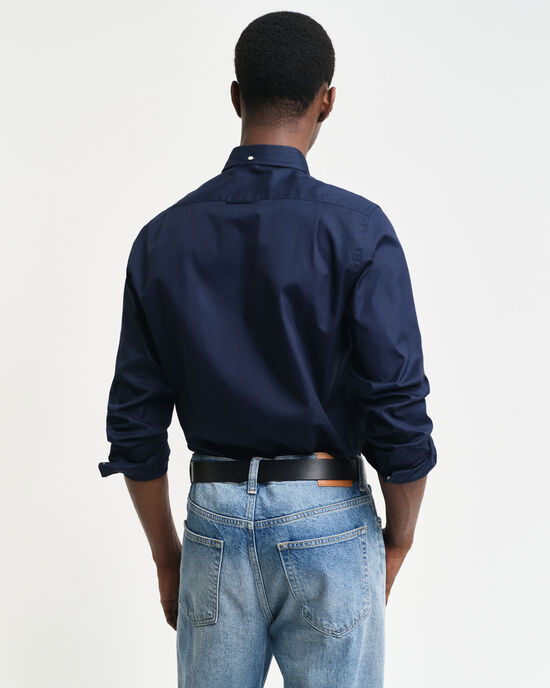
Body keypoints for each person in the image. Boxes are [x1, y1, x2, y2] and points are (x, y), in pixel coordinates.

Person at [98, 10, 437, 688]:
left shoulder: (162, 240)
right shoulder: (359, 232)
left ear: (236, 97)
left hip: (214, 520)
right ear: (326, 101)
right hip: (328, 511)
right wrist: (399, 538)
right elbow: (398, 408)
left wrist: (169, 556)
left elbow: (135, 426)